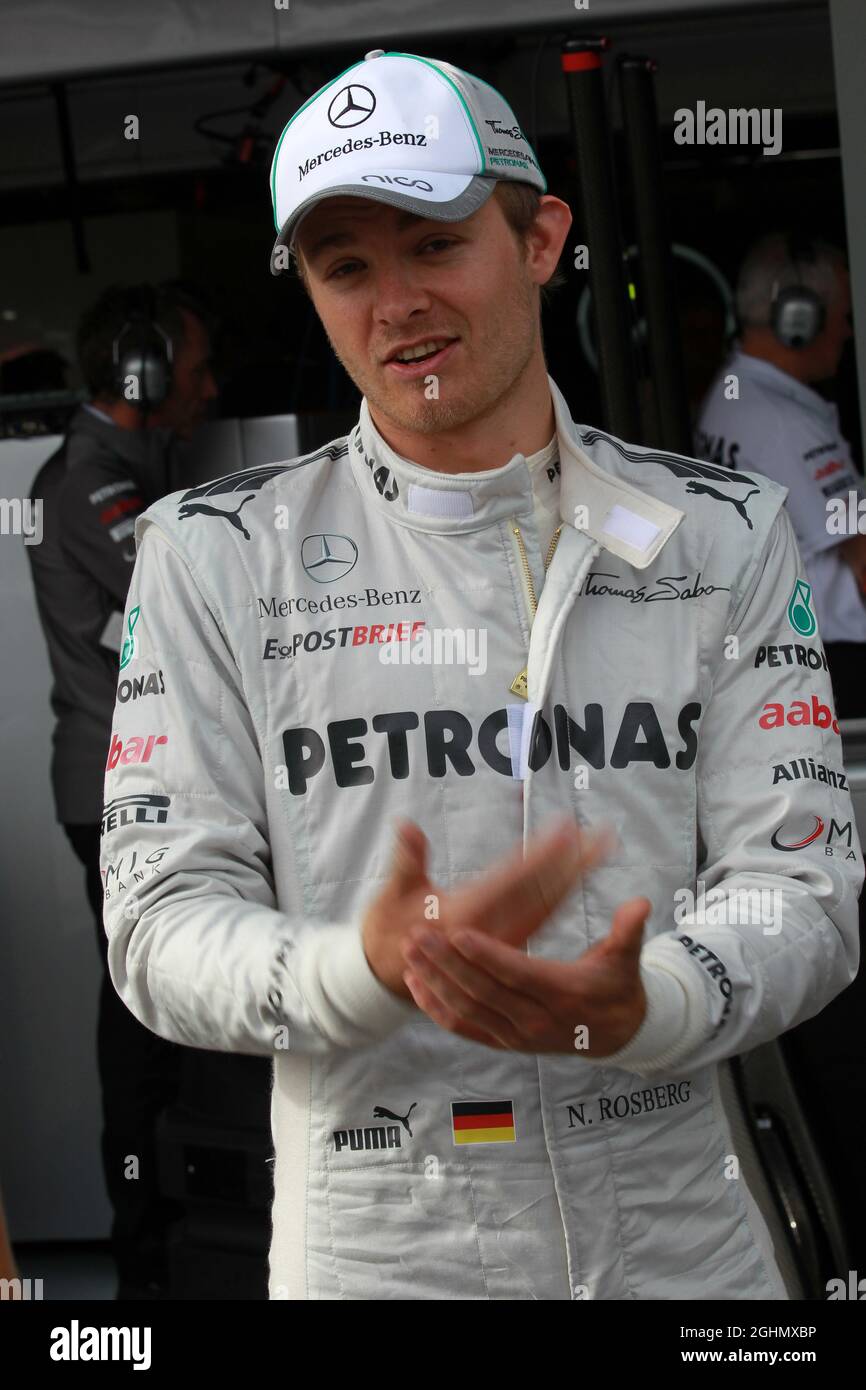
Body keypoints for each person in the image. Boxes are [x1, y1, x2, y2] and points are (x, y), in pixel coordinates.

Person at [101, 50, 861, 1301]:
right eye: (346, 266)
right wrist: (361, 967)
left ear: (540, 237)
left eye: (433, 244)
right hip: (380, 1245)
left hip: (682, 1237)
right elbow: (155, 919)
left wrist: (649, 1000)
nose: (393, 300)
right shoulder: (213, 553)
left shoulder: (719, 530)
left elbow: (806, 885)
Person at [26, 282, 218, 1299]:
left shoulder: (129, 464)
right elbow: (179, 592)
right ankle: (148, 1262)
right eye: (195, 369)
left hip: (140, 784)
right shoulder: (91, 481)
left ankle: (178, 1241)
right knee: (143, 1023)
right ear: (141, 372)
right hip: (110, 794)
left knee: (164, 1015)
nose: (210, 390)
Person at [696, 233, 866, 717]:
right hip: (836, 656)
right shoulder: (781, 421)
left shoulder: (734, 393)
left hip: (789, 654)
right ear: (800, 320)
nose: (848, 332)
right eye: (844, 316)